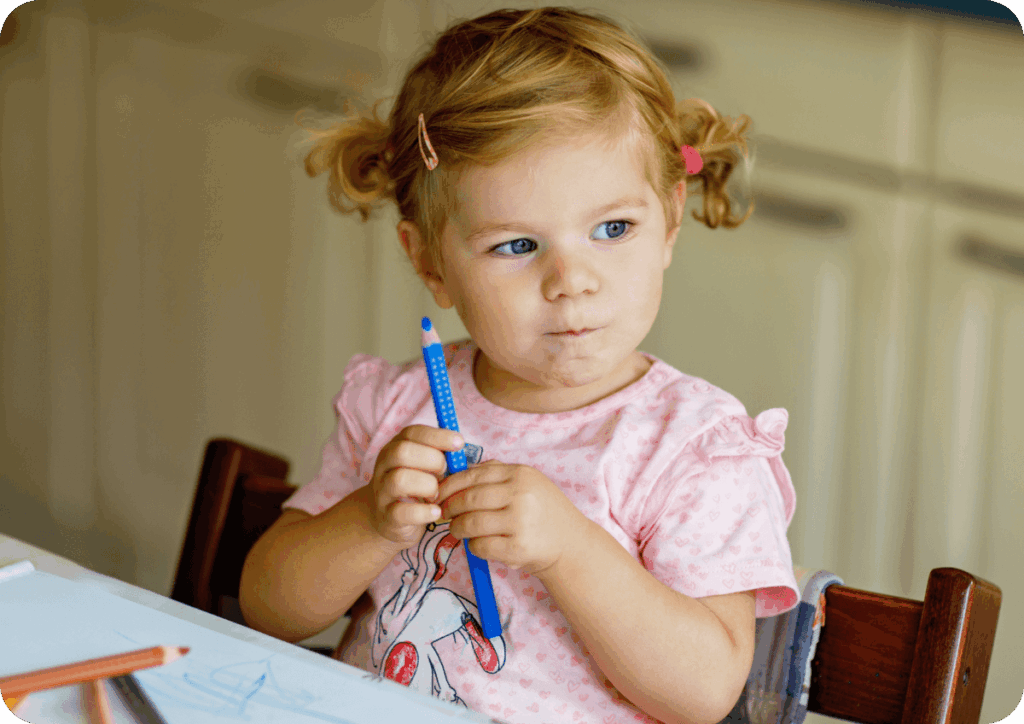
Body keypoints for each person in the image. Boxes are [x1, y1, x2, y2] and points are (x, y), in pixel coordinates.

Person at [239, 7, 800, 724]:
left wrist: (568, 549)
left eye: (612, 229)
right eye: (515, 246)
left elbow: (704, 691)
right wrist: (367, 521)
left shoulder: (691, 446)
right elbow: (267, 609)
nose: (571, 279)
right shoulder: (398, 406)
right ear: (428, 262)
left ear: (670, 218)